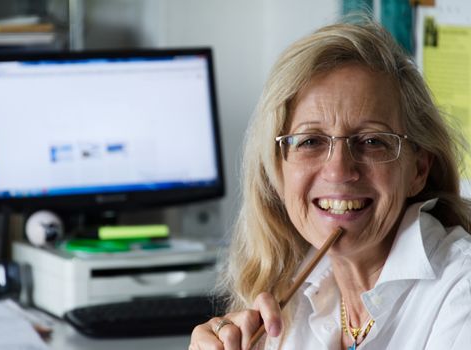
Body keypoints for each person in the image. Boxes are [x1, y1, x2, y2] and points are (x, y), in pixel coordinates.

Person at [189, 18, 471, 350]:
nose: (338, 171)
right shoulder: (290, 301)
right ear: (276, 171)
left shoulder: (461, 291)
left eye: (371, 141)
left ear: (418, 170)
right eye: (310, 142)